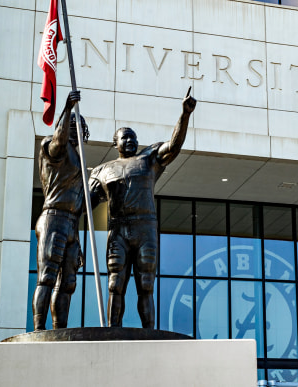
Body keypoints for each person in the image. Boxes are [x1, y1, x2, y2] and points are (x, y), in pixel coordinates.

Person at [90, 88, 196, 327]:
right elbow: (84, 205)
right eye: (125, 137)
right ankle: (111, 331)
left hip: (145, 228)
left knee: (146, 285)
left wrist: (185, 114)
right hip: (118, 231)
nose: (130, 141)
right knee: (115, 285)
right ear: (114, 143)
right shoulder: (102, 170)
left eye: (133, 137)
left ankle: (149, 332)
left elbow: (174, 146)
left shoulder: (149, 159)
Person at [33, 90, 88, 330]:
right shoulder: (54, 149)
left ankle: (59, 329)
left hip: (70, 224)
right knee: (46, 278)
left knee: (67, 283)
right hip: (53, 218)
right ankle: (38, 328)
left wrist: (77, 238)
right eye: (72, 124)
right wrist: (67, 109)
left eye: (80, 123)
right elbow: (58, 141)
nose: (77, 127)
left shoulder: (79, 159)